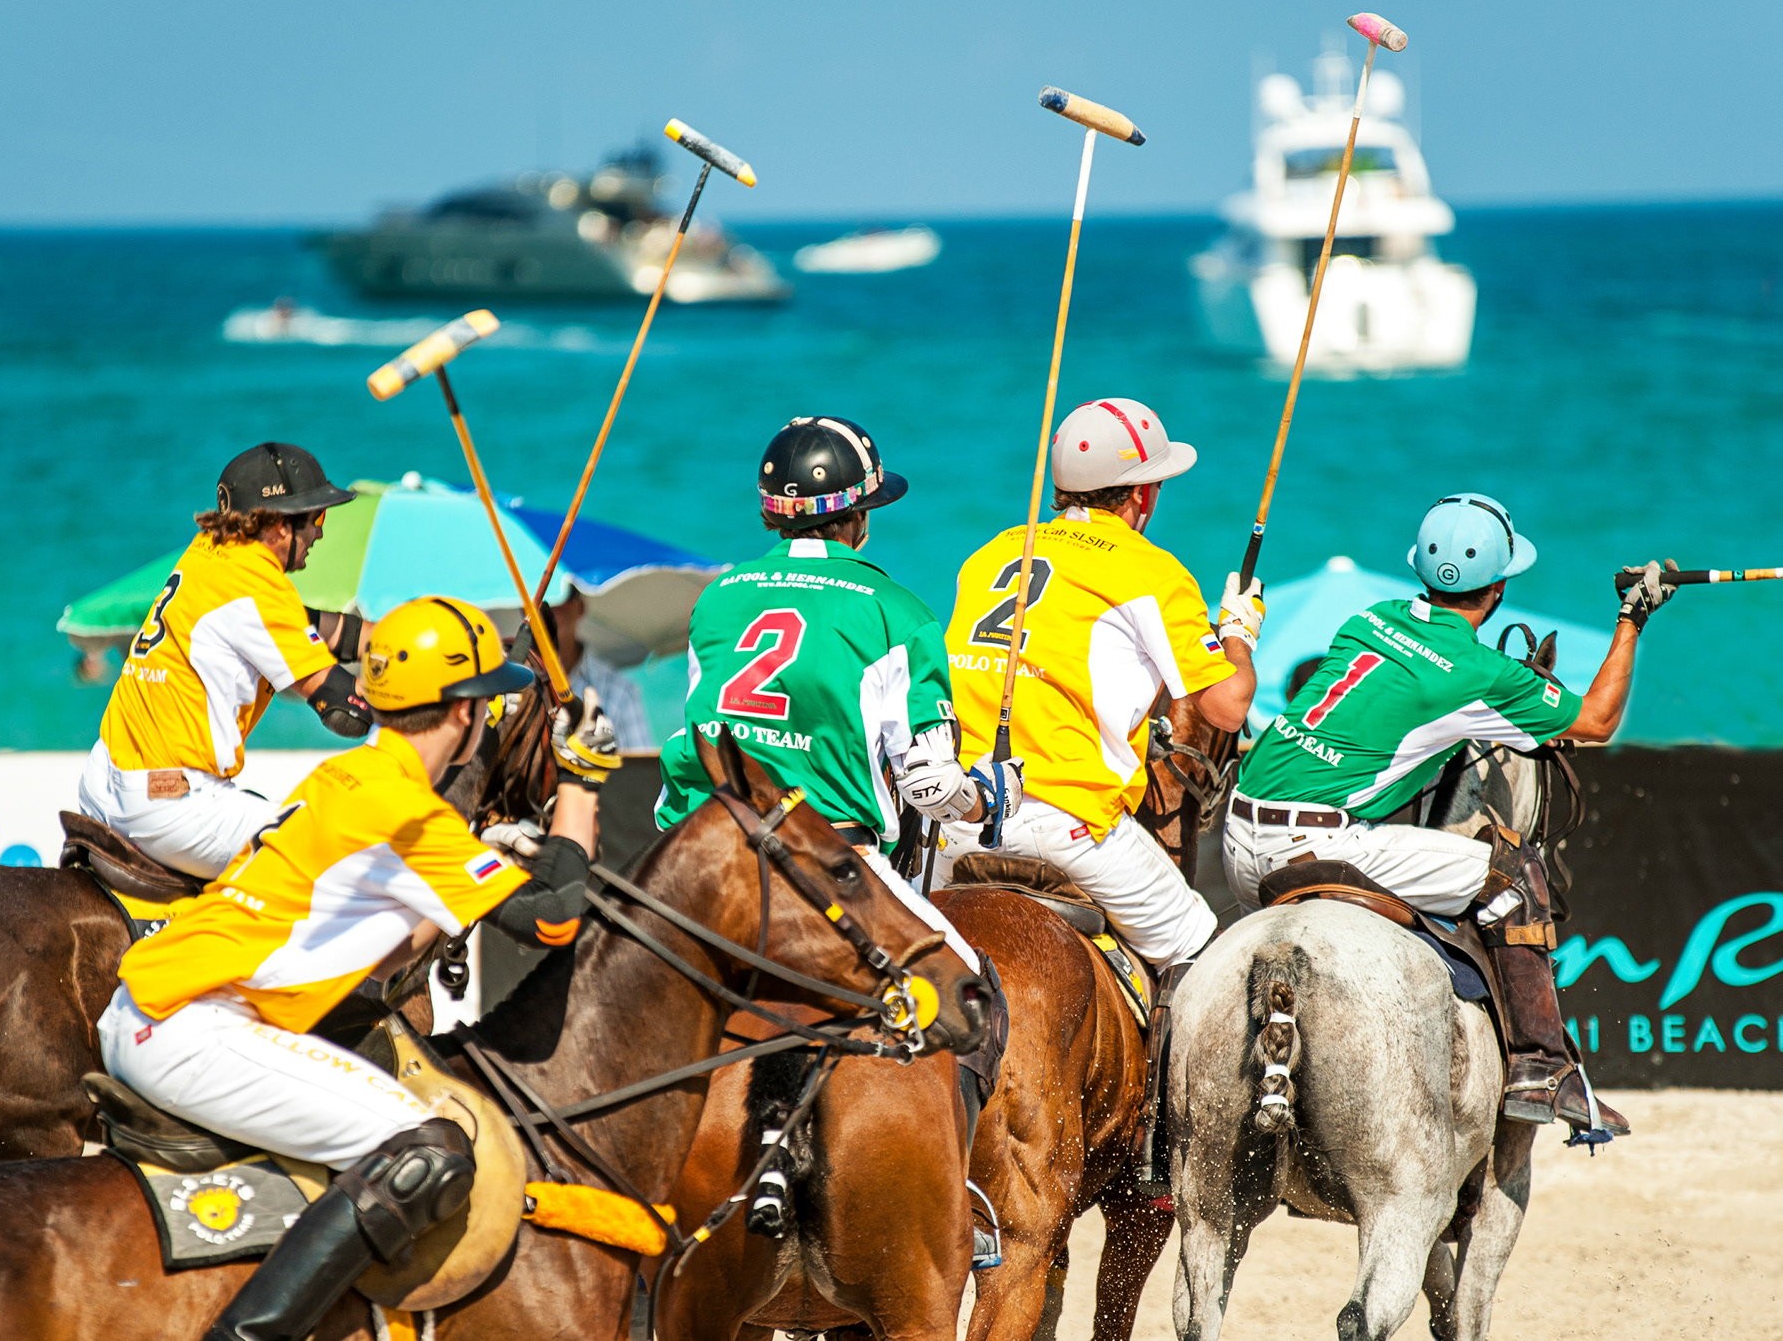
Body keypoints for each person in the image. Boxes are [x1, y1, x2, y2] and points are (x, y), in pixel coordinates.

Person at [97, 595, 620, 1341]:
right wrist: (581, 781)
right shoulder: (409, 813)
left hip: (147, 1005)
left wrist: (489, 855)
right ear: (466, 716)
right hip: (189, 1030)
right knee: (431, 1148)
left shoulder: (345, 776)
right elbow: (555, 917)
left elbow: (397, 932)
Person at [1224, 491, 1674, 1135]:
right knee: (1511, 881)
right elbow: (1596, 720)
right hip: (1316, 848)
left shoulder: (1366, 621)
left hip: (1239, 844)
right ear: (1497, 589)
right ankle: (1541, 1069)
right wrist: (1632, 617)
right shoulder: (1481, 673)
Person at [654, 416, 1003, 969]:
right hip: (831, 863)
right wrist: (988, 800)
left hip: (700, 855)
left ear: (772, 513)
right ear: (859, 517)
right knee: (976, 1002)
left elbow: (697, 734)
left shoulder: (718, 595)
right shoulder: (899, 612)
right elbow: (930, 786)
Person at [936, 398, 1261, 971]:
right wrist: (1238, 630)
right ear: (1141, 495)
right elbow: (1228, 708)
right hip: (1067, 823)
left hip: (958, 819)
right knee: (1208, 963)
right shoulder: (1152, 571)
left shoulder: (988, 554)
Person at [78, 443, 376, 878]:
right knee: (343, 866)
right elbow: (345, 711)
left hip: (104, 782)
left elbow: (302, 625)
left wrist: (395, 638)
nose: (320, 533)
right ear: (278, 524)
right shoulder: (255, 583)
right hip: (170, 806)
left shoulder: (210, 553)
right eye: (317, 517)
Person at [551, 586, 655, 751]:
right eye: (544, 597)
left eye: (564, 595)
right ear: (525, 609)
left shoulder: (621, 692)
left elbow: (639, 773)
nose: (553, 607)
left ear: (581, 607)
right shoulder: (508, 692)